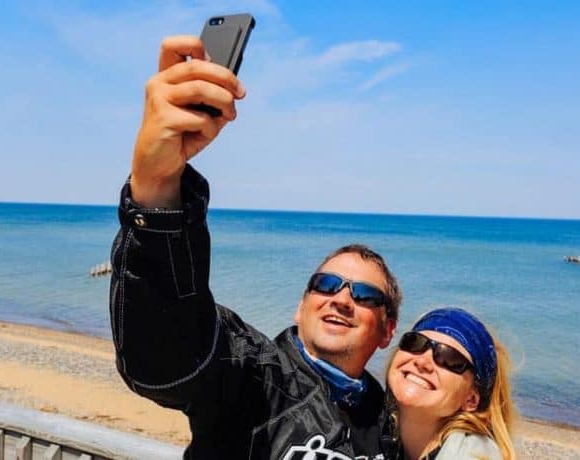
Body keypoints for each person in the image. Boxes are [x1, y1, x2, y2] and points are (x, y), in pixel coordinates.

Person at [109, 35, 401, 459]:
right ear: (300, 308)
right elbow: (166, 358)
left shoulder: (387, 421)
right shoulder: (255, 376)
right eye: (326, 284)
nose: (340, 298)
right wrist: (156, 190)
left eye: (364, 295)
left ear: (389, 330)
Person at [385, 308, 516, 460]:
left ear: (471, 399)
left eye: (449, 358)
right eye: (415, 342)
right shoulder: (372, 428)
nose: (422, 362)